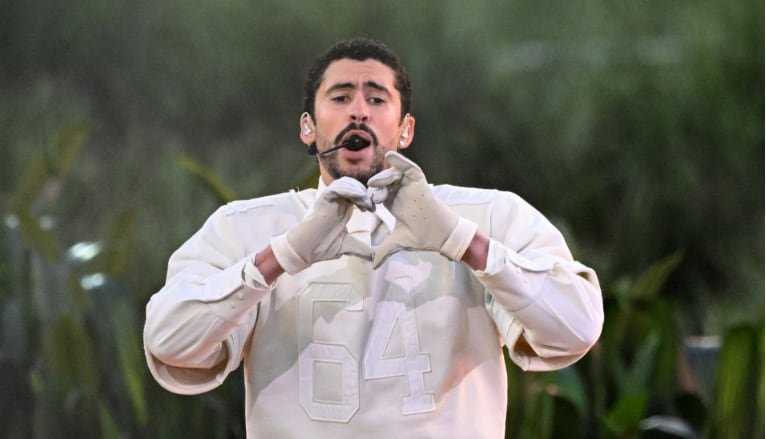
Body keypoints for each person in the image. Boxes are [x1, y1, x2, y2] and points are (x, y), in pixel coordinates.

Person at [143, 38, 603, 438]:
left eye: (377, 98)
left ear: (406, 130)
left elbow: (576, 329)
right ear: (308, 127)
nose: (359, 110)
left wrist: (462, 241)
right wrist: (282, 255)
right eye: (341, 96)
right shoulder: (244, 226)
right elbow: (169, 342)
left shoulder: (489, 214)